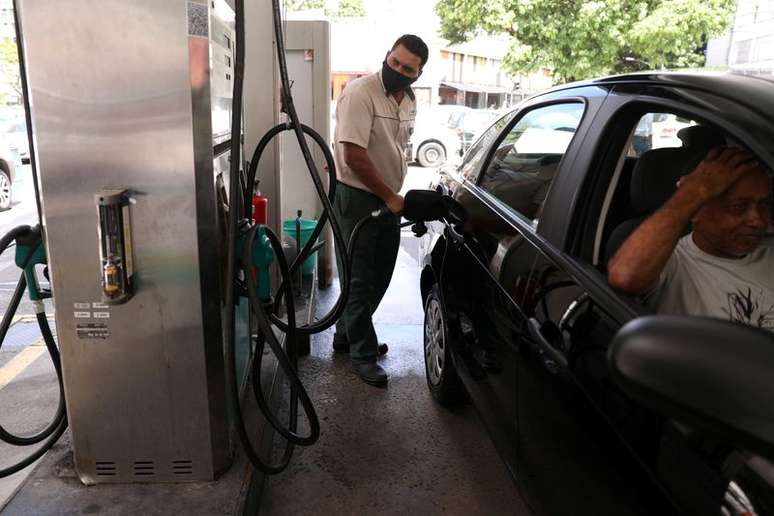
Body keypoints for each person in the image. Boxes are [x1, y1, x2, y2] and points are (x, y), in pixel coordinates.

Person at [331, 34, 428, 386]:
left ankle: (346, 334)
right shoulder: (361, 92)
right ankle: (362, 354)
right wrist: (390, 196)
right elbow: (353, 155)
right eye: (394, 63)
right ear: (386, 56)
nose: (398, 70)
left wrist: (392, 195)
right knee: (358, 279)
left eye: (407, 68)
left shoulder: (408, 100)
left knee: (381, 273)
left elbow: (396, 148)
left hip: (387, 197)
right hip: (358, 198)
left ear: (417, 73)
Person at [608, 147, 774, 331]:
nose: (758, 220)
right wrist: (693, 191)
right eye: (738, 207)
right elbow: (624, 276)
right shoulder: (672, 263)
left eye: (764, 204)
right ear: (696, 210)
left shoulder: (769, 252)